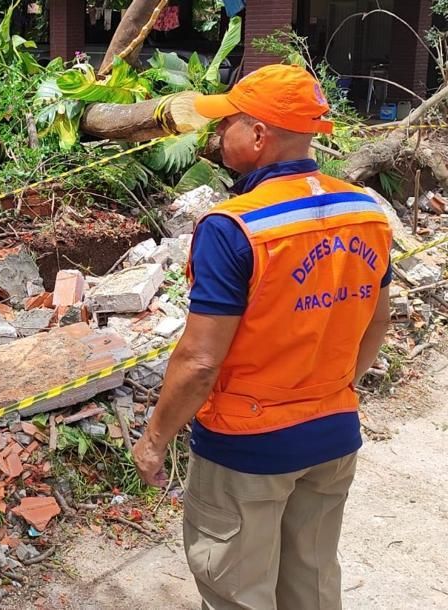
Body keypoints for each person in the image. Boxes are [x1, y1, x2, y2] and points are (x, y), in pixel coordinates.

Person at [132, 64, 393, 610]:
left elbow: (201, 360)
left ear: (257, 135)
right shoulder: (366, 212)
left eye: (225, 122)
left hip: (247, 446)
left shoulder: (234, 227)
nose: (215, 134)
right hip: (334, 432)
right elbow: (376, 322)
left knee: (238, 592)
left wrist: (155, 439)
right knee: (313, 586)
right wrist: (335, 389)